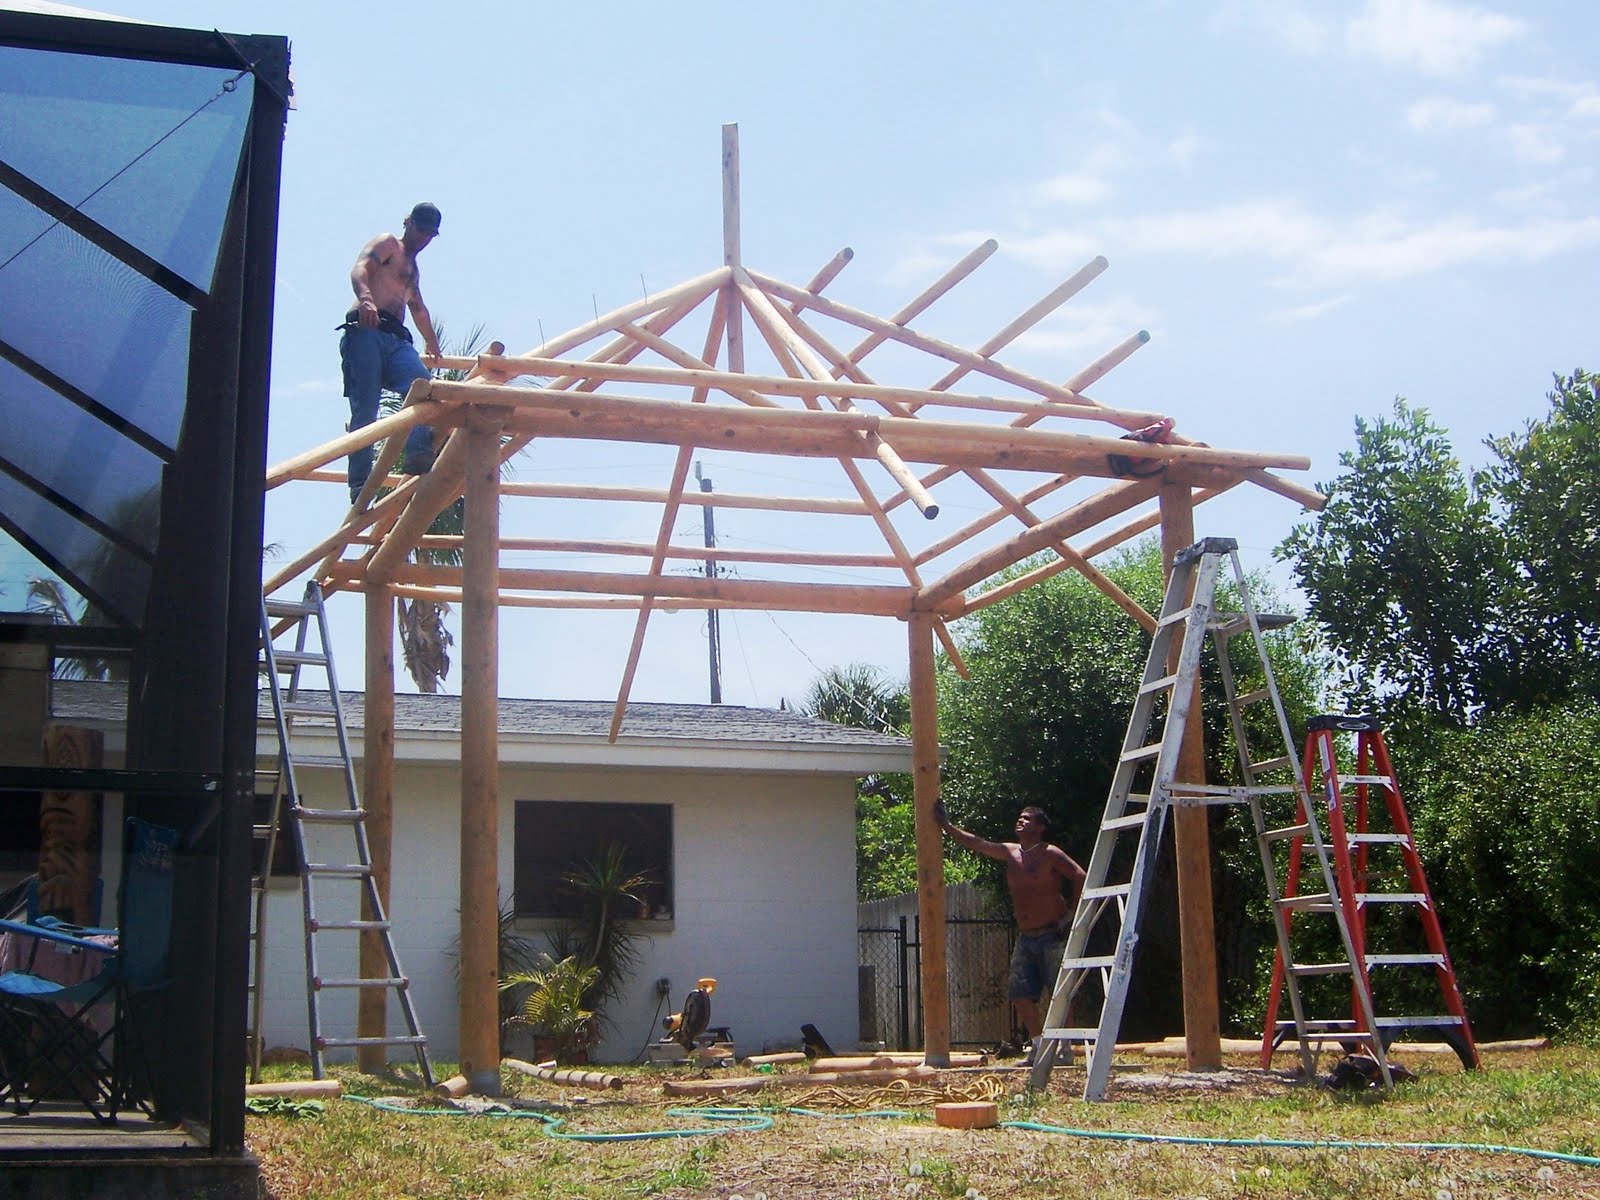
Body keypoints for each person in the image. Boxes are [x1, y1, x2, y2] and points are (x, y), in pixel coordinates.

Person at [934, 799, 1086, 1060]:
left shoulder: (1050, 853)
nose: (1020, 821)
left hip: (1053, 934)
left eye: (1027, 818)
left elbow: (1079, 875)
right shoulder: (1010, 852)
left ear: (1040, 827)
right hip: (1026, 936)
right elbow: (977, 843)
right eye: (1020, 817)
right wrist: (947, 826)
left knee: (1060, 993)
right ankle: (1039, 1047)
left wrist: (1071, 915)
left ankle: (1064, 1048)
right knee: (1019, 994)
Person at [339, 202, 445, 501]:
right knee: (366, 409)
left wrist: (431, 340)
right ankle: (360, 482)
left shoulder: (412, 269)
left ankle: (419, 452)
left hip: (396, 339)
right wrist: (366, 300)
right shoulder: (388, 244)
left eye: (429, 235)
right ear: (409, 223)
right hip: (366, 330)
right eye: (420, 230)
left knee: (421, 386)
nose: (423, 239)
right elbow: (360, 270)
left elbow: (417, 308)